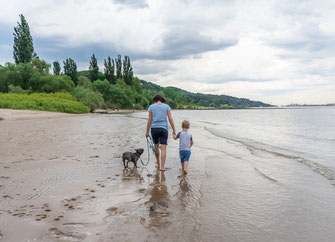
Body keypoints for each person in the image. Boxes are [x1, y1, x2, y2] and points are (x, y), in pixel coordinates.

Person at [146, 94, 176, 171]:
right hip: (163, 129)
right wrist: (174, 129)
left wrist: (147, 131)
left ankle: (158, 162)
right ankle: (162, 167)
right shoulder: (167, 107)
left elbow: (149, 120)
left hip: (154, 129)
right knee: (163, 148)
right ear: (162, 99)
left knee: (156, 146)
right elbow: (170, 119)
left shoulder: (151, 107)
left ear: (155, 99)